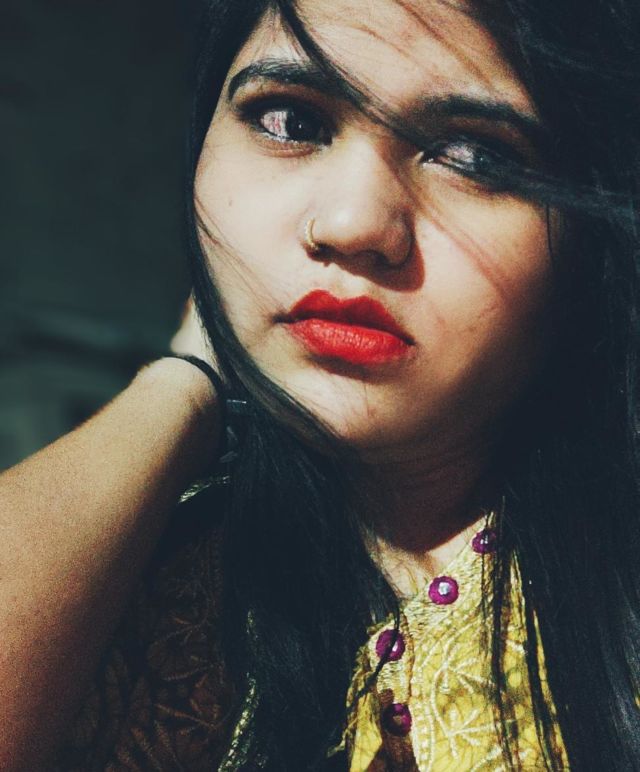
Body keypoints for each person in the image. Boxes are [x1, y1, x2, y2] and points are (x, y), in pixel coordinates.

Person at [2, 0, 640, 769]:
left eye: (476, 155)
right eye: (289, 121)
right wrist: (182, 383)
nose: (352, 224)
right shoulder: (140, 576)